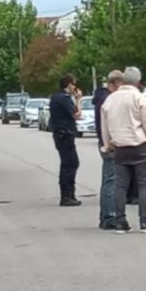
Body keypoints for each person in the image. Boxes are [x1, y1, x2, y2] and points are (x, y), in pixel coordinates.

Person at [101, 67, 146, 234]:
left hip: (119, 147)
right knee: (144, 186)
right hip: (140, 146)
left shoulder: (110, 100)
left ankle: (120, 221)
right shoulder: (139, 98)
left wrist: (107, 145)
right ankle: (145, 221)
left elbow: (104, 126)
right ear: (138, 82)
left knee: (120, 186)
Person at [92, 70, 124, 230]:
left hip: (103, 142)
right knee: (112, 180)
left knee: (107, 180)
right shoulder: (108, 99)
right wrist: (111, 142)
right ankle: (110, 216)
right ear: (116, 83)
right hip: (109, 144)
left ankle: (105, 216)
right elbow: (109, 123)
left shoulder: (100, 97)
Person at [49, 74, 83, 206]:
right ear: (69, 84)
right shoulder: (64, 98)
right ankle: (67, 195)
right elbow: (76, 113)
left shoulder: (56, 97)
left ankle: (68, 194)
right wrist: (78, 99)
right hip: (65, 135)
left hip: (60, 134)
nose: (75, 87)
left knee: (69, 163)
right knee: (70, 164)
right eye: (74, 84)